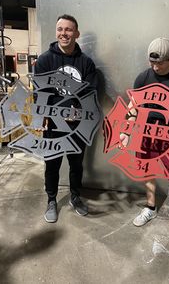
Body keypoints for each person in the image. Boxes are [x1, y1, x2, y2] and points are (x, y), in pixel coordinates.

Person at [120, 37, 169, 249]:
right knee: (148, 172)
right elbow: (133, 106)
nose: (155, 67)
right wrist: (126, 130)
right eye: (151, 62)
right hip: (146, 134)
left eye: (160, 63)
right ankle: (150, 207)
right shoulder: (143, 77)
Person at [34, 14, 98, 223]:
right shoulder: (45, 60)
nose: (64, 34)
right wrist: (44, 114)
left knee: (76, 164)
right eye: (60, 29)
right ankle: (51, 199)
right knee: (51, 163)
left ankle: (75, 197)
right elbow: (40, 91)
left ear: (76, 33)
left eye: (68, 30)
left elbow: (90, 91)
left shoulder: (86, 63)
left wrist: (76, 110)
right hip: (53, 124)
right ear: (56, 32)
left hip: (78, 125)